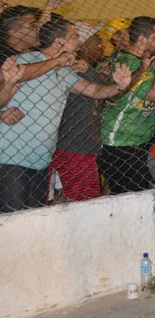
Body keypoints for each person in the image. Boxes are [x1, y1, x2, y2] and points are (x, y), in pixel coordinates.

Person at [0, 19, 131, 212]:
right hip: (11, 157)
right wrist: (56, 61)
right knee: (10, 220)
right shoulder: (26, 59)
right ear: (59, 42)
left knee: (33, 218)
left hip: (41, 161)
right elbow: (19, 74)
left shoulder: (65, 72)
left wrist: (119, 86)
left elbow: (93, 90)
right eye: (74, 36)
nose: (79, 41)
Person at [98, 17, 155, 195]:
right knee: (134, 196)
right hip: (121, 143)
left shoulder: (140, 61)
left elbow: (148, 80)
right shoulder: (128, 62)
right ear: (142, 39)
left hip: (137, 141)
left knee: (142, 194)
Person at [49, 25, 108, 202]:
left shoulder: (86, 70)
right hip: (72, 147)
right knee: (80, 200)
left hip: (84, 146)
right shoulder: (73, 70)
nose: (102, 45)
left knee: (88, 197)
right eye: (97, 40)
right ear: (83, 44)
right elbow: (104, 91)